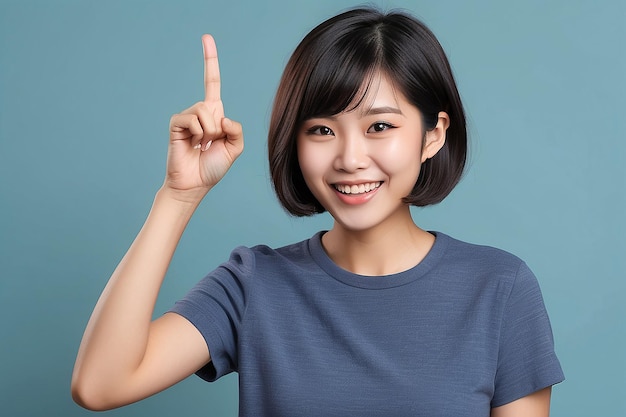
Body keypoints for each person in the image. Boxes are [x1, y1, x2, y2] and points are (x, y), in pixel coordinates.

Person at [71, 7, 564, 416]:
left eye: (379, 127)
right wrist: (179, 195)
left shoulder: (499, 288)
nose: (349, 158)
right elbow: (100, 385)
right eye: (322, 130)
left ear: (433, 134)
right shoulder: (254, 284)